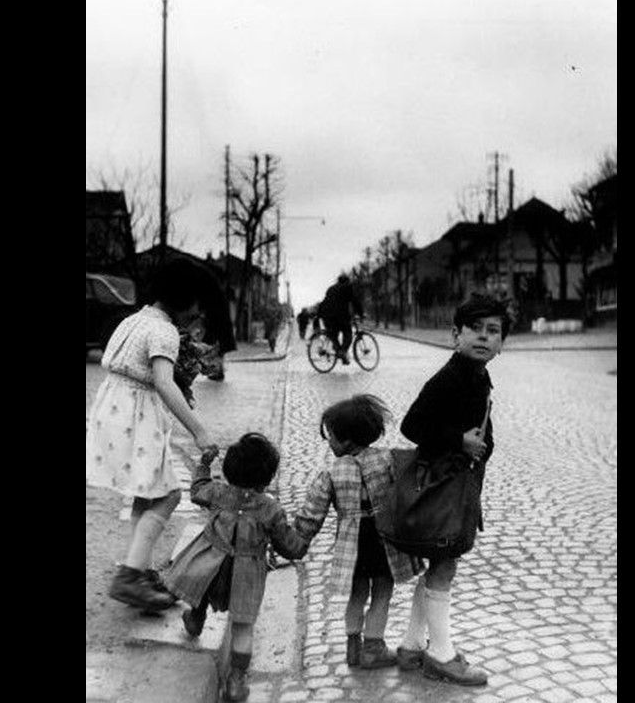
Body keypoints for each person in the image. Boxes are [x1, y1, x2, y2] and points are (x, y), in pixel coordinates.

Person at [86, 258, 218, 612]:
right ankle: (129, 576)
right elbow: (163, 382)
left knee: (147, 494)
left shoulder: (132, 320)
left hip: (113, 414)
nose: (197, 310)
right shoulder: (164, 332)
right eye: (195, 302)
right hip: (136, 420)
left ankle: (138, 568)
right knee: (169, 496)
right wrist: (199, 431)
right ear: (183, 298)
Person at [394, 293, 509, 687]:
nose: (483, 337)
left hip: (456, 484)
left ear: (501, 342)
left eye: (492, 331)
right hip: (442, 487)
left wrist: (481, 446)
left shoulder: (477, 376)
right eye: (474, 329)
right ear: (455, 335)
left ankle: (411, 646)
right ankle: (441, 655)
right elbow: (411, 426)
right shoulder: (449, 378)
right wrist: (458, 441)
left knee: (438, 562)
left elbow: (483, 430)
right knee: (444, 564)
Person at [163, 433, 309, 702]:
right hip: (248, 573)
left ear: (229, 470)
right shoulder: (271, 509)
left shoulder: (218, 492)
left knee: (203, 589)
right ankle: (236, 681)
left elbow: (197, 491)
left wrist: (204, 465)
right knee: (243, 627)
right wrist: (304, 535)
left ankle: (196, 619)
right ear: (268, 477)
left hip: (212, 562)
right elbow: (288, 546)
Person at [294, 395, 423, 669]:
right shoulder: (388, 459)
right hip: (383, 539)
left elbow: (311, 514)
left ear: (347, 440)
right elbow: (412, 483)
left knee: (357, 593)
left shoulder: (330, 473)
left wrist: (297, 541)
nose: (328, 442)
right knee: (382, 591)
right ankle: (373, 646)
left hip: (352, 545)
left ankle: (353, 646)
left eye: (331, 437)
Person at [318, 274, 364, 364]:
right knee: (348, 335)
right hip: (340, 316)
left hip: (326, 316)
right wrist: (361, 314)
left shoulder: (330, 288)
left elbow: (325, 301)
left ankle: (342, 356)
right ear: (347, 281)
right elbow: (355, 301)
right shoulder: (348, 287)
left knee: (333, 336)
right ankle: (342, 353)